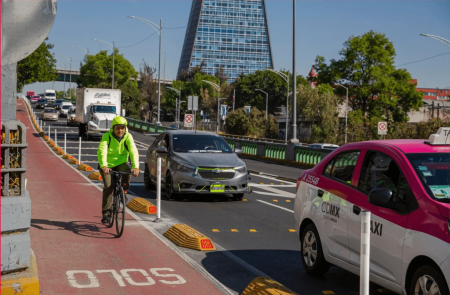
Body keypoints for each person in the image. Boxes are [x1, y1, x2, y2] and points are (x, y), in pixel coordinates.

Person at [97, 116, 140, 224]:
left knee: (127, 172)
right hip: (107, 164)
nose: (120, 130)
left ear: (125, 128)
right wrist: (104, 166)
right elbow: (102, 151)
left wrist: (136, 167)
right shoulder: (107, 136)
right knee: (108, 186)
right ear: (113, 127)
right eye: (118, 128)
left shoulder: (128, 137)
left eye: (122, 128)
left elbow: (133, 151)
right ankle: (106, 213)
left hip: (121, 163)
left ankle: (123, 190)